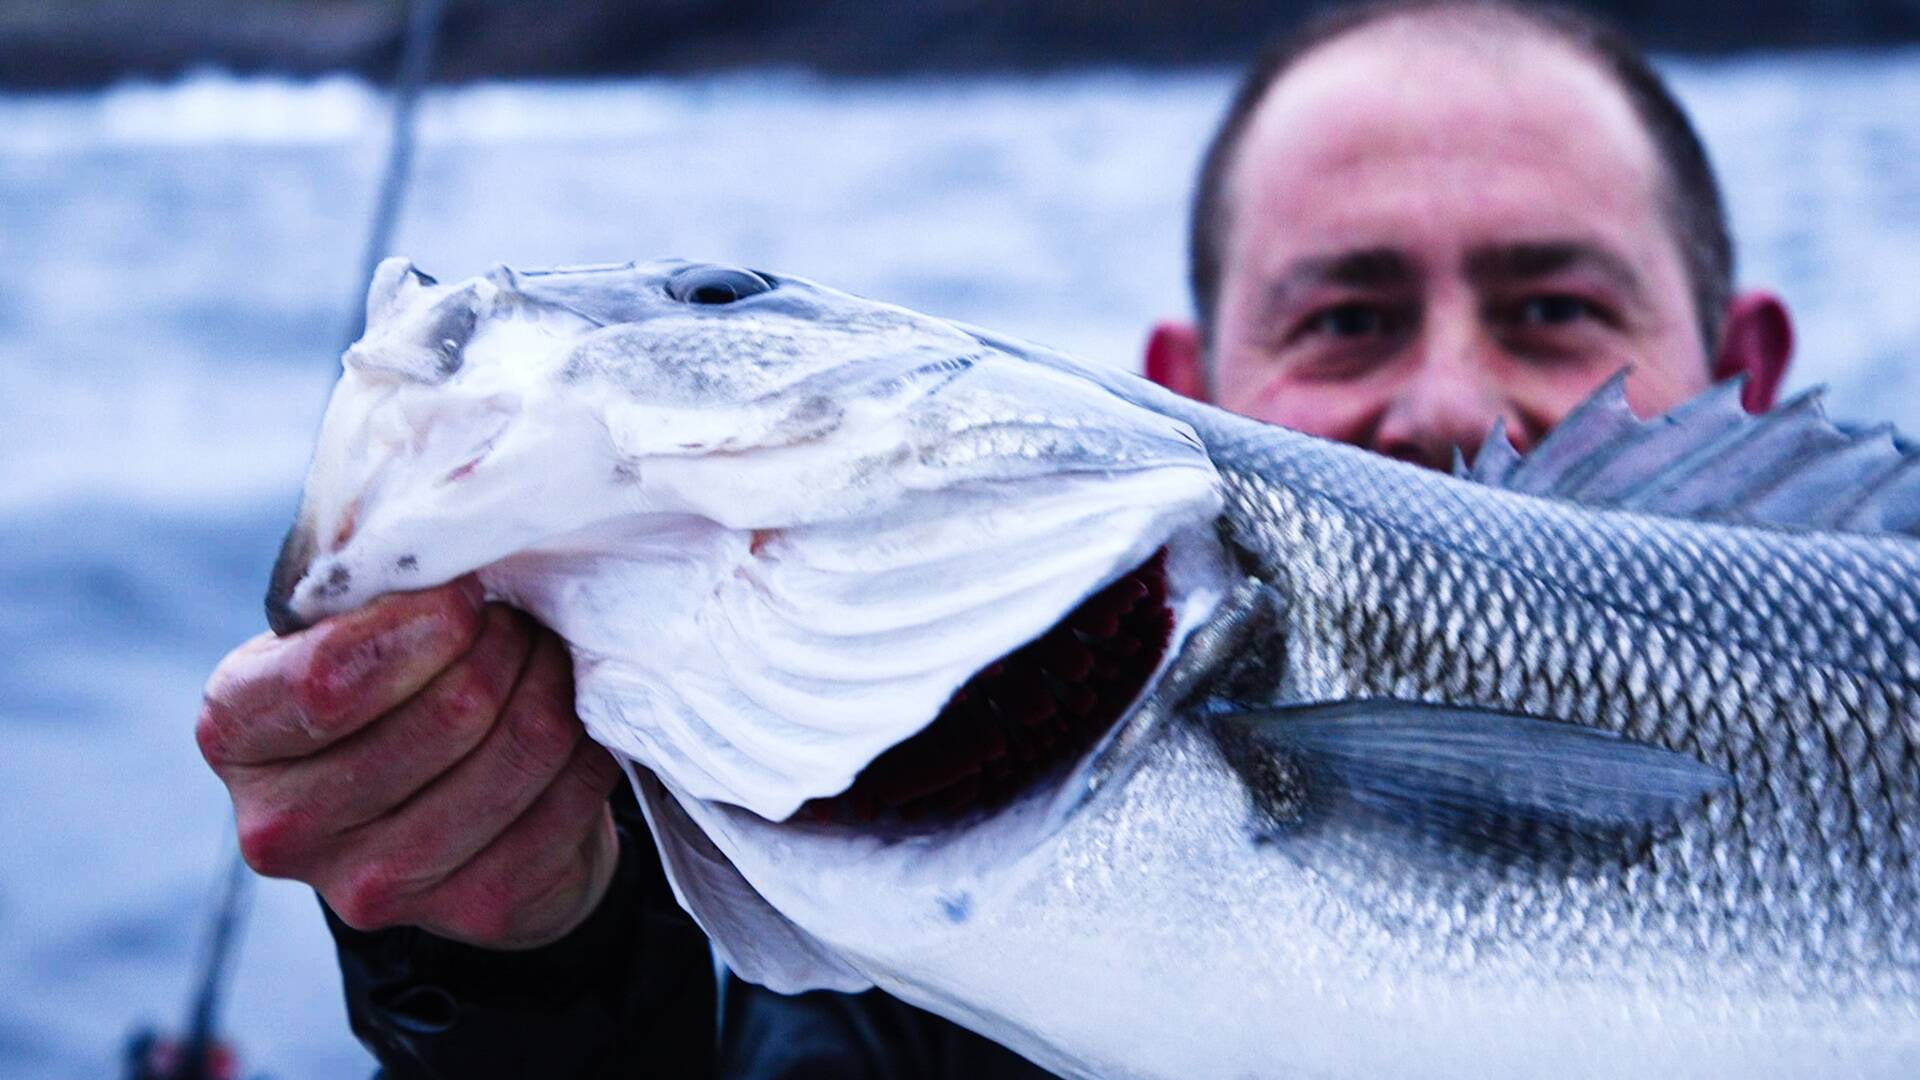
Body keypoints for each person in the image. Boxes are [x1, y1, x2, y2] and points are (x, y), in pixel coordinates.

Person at [194, 2, 1796, 1076]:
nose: (1446, 389)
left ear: (1753, 376)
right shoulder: (918, 980)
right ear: (1185, 388)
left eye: (1558, 308)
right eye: (1349, 314)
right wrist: (530, 960)